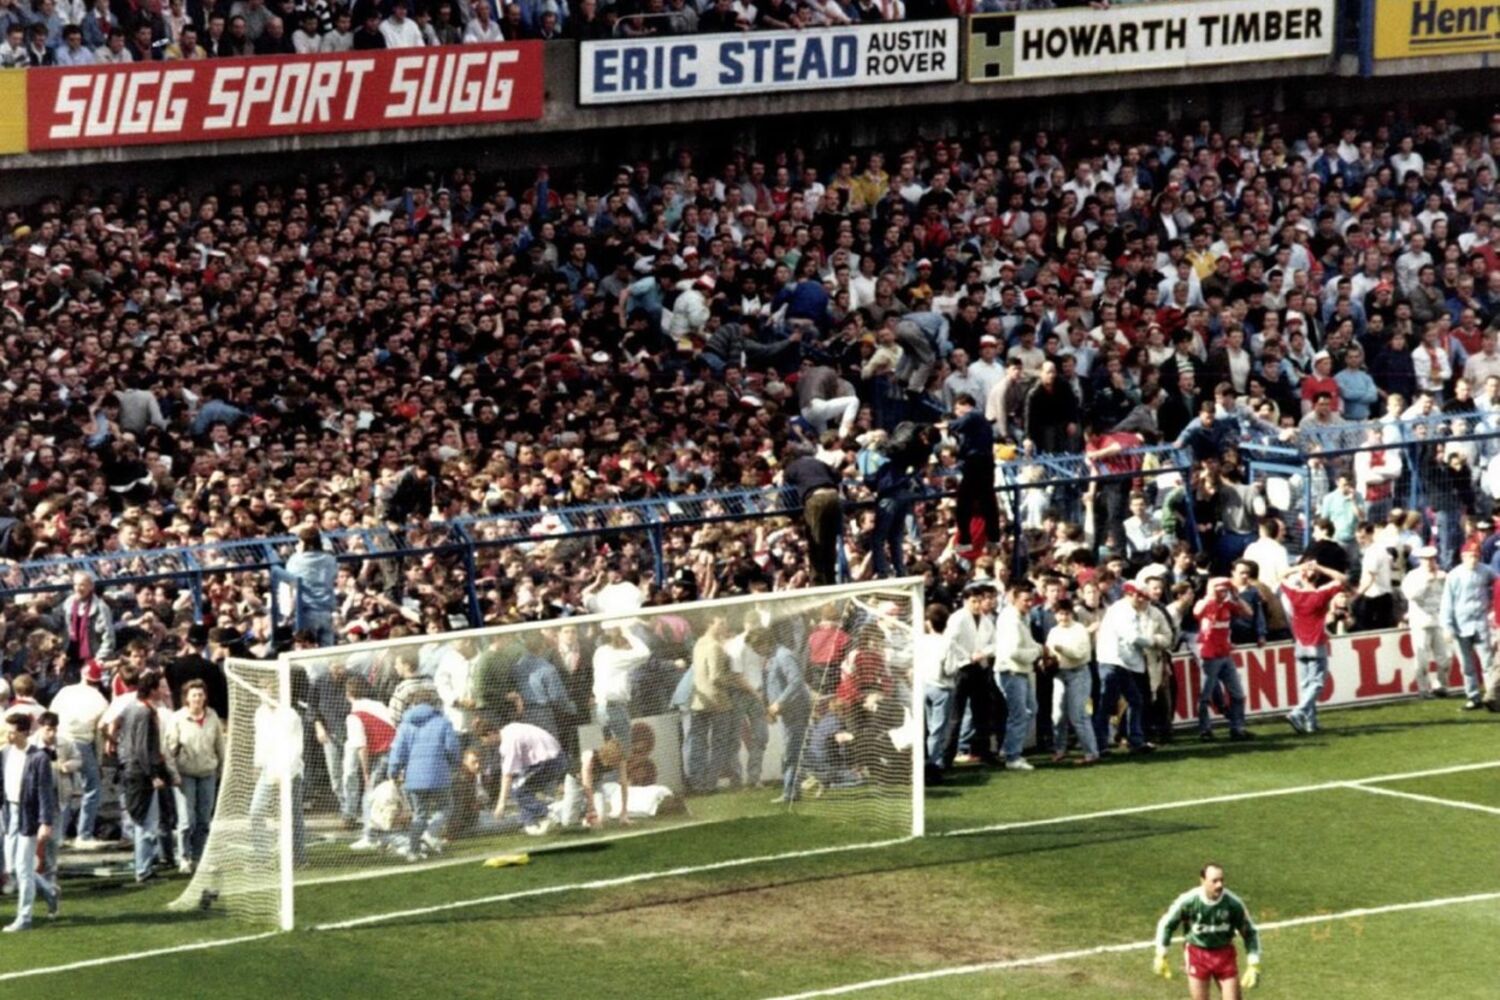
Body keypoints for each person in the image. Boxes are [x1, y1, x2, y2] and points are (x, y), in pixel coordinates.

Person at [1154, 862, 1262, 997]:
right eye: (1214, 881)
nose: (1219, 885)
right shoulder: (1189, 901)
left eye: (1221, 880)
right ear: (1203, 881)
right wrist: (1161, 953)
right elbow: (1167, 924)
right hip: (1197, 955)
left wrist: (1254, 963)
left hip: (1224, 955)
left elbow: (1250, 932)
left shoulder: (1233, 904)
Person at [0, 713, 59, 932]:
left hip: (29, 816)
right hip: (10, 813)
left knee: (24, 869)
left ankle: (24, 917)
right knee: (13, 867)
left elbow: (45, 792)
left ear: (24, 732)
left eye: (12, 732)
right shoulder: (5, 753)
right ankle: (49, 891)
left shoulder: (38, 758)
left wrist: (45, 822)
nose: (8, 736)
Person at [388, 693, 459, 861]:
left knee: (419, 814)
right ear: (433, 704)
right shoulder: (443, 722)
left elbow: (398, 751)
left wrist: (393, 771)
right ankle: (430, 832)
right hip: (439, 775)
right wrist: (453, 764)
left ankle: (413, 852)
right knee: (446, 807)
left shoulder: (405, 726)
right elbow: (452, 748)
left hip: (413, 778)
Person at [115, 669, 171, 883]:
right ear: (153, 690)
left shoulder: (131, 708)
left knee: (143, 821)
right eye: (161, 687)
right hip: (140, 774)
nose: (165, 691)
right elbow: (142, 748)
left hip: (131, 770)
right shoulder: (144, 713)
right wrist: (153, 774)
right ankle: (144, 870)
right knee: (146, 823)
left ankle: (145, 866)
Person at [1279, 562, 1347, 735]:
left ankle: (1310, 723)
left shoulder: (1295, 593)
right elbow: (1341, 578)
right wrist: (1320, 567)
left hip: (1300, 643)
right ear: (1316, 577)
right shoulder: (1321, 594)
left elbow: (1280, 576)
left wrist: (1299, 568)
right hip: (1316, 642)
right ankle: (1298, 712)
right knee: (1317, 683)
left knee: (1305, 685)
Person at [164, 680, 225, 874]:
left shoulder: (212, 716)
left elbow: (220, 745)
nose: (197, 698)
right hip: (185, 775)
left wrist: (221, 769)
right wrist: (173, 774)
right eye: (194, 695)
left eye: (200, 694)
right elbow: (169, 749)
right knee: (186, 820)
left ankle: (199, 857)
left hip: (207, 773)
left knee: (204, 819)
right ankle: (184, 857)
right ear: (187, 698)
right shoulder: (178, 718)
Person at [44, 667, 107, 846]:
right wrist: (99, 761)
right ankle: (84, 834)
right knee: (93, 787)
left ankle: (60, 834)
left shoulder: (65, 691)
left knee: (62, 789)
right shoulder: (101, 700)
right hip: (81, 743)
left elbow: (51, 715)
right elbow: (99, 734)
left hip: (60, 740)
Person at [941, 580, 998, 768]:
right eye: (974, 601)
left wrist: (983, 653)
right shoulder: (958, 618)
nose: (977, 605)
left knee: (982, 713)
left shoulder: (986, 620)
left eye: (980, 601)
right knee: (956, 716)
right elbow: (950, 641)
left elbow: (995, 643)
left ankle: (984, 753)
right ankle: (947, 757)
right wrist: (967, 656)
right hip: (962, 669)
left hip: (980, 668)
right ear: (965, 601)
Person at [1094, 582, 1154, 754]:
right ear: (1132, 595)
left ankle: (1133, 740)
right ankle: (1102, 744)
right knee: (1108, 704)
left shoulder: (1124, 610)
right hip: (1113, 662)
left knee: (1133, 701)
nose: (1144, 601)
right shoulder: (1122, 611)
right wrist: (1152, 642)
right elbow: (1132, 637)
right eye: (1142, 597)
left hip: (1119, 662)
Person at [490, 701, 566, 836]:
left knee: (517, 790)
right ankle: (530, 824)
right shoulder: (508, 729)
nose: (486, 744)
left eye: (484, 740)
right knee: (521, 788)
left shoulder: (509, 742)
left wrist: (501, 804)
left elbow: (507, 775)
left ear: (490, 734)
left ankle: (548, 813)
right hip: (553, 757)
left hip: (550, 760)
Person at [1193, 579, 1253, 742]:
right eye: (1219, 590)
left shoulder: (1228, 604)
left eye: (1225, 590)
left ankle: (1237, 728)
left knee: (1238, 694)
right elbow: (1197, 612)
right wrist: (1210, 595)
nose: (1222, 593)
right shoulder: (1205, 603)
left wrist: (1236, 596)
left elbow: (1249, 613)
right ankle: (1205, 730)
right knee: (1205, 696)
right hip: (1210, 655)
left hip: (1224, 654)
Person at [1439, 540, 1495, 711]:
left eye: (1476, 556)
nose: (1473, 560)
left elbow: (1497, 584)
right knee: (1466, 665)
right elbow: (1447, 602)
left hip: (1481, 623)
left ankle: (1492, 696)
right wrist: (1447, 626)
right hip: (1460, 625)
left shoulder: (1486, 571)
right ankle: (1473, 696)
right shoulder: (1454, 575)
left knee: (1487, 663)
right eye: (1470, 556)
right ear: (1463, 557)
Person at [1044, 599, 1099, 765]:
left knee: (1079, 716)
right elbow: (1049, 652)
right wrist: (1045, 660)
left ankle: (1091, 753)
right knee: (1058, 715)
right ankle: (1060, 750)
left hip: (1079, 673)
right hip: (1059, 674)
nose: (1063, 617)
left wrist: (1062, 649)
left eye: (1067, 613)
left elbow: (1080, 654)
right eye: (1060, 614)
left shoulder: (1079, 629)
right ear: (1055, 615)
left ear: (1072, 614)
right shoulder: (1053, 631)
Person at [993, 583, 1041, 771]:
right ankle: (1012, 756)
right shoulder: (1010, 619)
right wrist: (1037, 652)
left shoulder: (1023, 617)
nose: (1029, 604)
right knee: (1019, 714)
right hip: (1010, 671)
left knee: (1030, 710)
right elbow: (1013, 652)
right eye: (1025, 600)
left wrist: (1037, 648)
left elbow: (1027, 643)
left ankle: (1009, 749)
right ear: (1014, 598)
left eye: (1031, 600)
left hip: (1021, 671)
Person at [782, 445, 844, 587]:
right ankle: (831, 578)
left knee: (816, 542)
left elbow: (787, 495)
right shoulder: (816, 462)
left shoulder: (790, 468)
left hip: (815, 498)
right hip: (834, 496)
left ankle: (818, 582)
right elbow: (838, 475)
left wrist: (793, 516)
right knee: (830, 540)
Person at [1401, 545, 1450, 698]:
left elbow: (1448, 596)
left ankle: (1441, 686)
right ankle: (1423, 689)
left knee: (1445, 658)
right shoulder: (1413, 576)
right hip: (1420, 622)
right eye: (1426, 559)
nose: (1429, 562)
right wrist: (1426, 583)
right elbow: (1411, 595)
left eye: (1432, 559)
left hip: (1439, 621)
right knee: (1421, 658)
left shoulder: (1442, 575)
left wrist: (1444, 580)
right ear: (1420, 561)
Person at [281, 525, 339, 647]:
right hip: (326, 611)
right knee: (327, 650)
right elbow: (334, 574)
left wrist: (287, 614)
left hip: (306, 612)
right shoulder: (330, 559)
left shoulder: (295, 560)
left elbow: (289, 584)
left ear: (303, 542)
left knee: (306, 649)